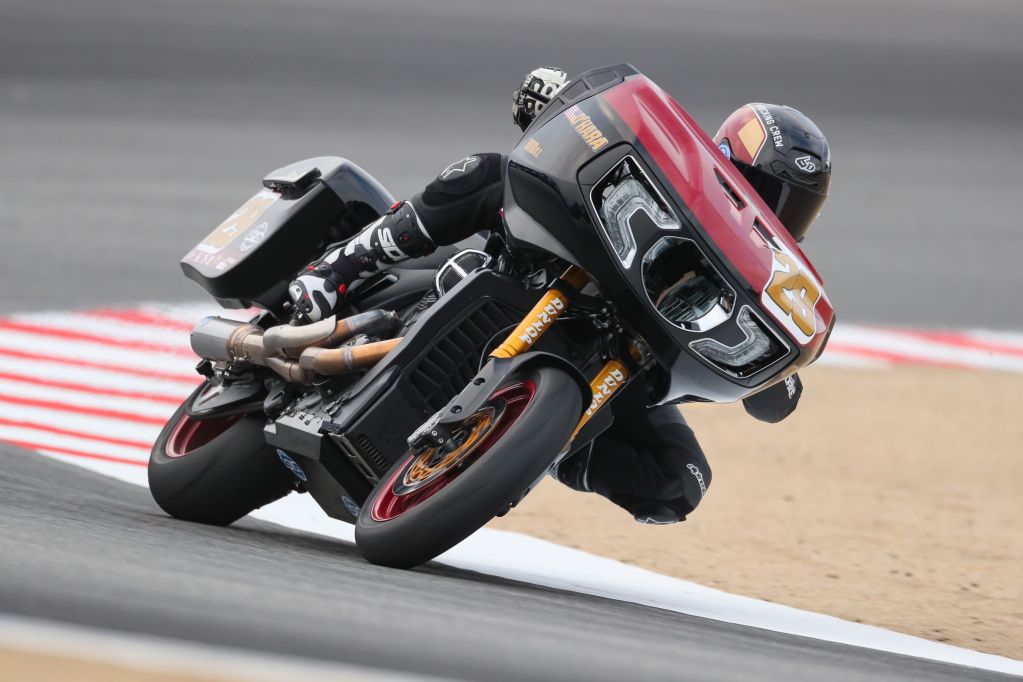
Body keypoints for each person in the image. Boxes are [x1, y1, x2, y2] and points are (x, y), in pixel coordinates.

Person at [287, 67, 832, 524]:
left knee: (681, 481)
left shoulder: (766, 285)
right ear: (722, 156)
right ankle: (336, 270)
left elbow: (775, 396)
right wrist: (555, 108)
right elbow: (582, 140)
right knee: (492, 172)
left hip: (621, 364)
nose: (770, 209)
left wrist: (776, 371)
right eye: (765, 188)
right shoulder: (666, 167)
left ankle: (532, 447)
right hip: (535, 271)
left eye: (792, 205)